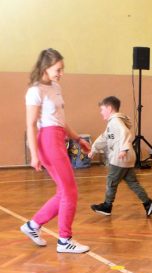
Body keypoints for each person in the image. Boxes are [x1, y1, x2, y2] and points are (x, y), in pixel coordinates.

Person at [21, 48, 90, 254]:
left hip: (59, 138)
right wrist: (34, 155)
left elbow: (61, 120)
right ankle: (64, 240)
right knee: (70, 192)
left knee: (63, 191)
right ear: (46, 67)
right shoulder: (35, 91)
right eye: (58, 69)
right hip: (48, 141)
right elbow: (31, 125)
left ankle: (33, 226)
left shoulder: (56, 87)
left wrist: (77, 139)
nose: (61, 73)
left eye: (62, 69)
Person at [88, 96, 152, 216]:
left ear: (109, 108)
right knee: (132, 182)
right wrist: (94, 149)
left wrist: (123, 149)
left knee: (111, 181)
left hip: (120, 158)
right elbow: (104, 137)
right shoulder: (114, 122)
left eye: (102, 109)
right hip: (127, 158)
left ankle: (107, 206)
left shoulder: (115, 121)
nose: (101, 112)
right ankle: (148, 203)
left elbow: (125, 133)